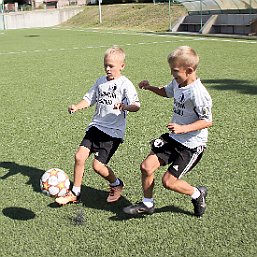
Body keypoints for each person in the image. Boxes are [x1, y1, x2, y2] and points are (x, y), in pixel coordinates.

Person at [123, 46, 212, 218]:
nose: (172, 74)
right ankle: (147, 204)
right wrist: (149, 87)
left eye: (175, 70)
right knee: (146, 167)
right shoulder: (179, 83)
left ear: (189, 70)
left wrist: (183, 128)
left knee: (168, 182)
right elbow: (166, 92)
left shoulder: (199, 93)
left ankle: (197, 194)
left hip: (191, 145)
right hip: (174, 138)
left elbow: (207, 120)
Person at [56, 46, 140, 205]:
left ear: (122, 66)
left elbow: (136, 105)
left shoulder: (125, 84)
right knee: (79, 156)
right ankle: (75, 192)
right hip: (96, 127)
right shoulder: (100, 82)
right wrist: (77, 106)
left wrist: (124, 106)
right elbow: (89, 99)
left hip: (112, 133)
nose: (107, 69)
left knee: (97, 166)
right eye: (105, 65)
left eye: (111, 66)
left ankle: (116, 184)